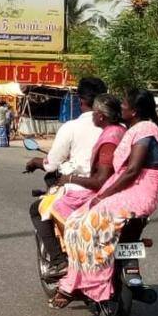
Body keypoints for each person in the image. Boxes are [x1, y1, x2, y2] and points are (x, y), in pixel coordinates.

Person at [52, 89, 158, 311]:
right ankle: (76, 282)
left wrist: (104, 195)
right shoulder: (136, 129)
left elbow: (132, 170)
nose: (121, 107)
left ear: (134, 111)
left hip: (137, 195)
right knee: (77, 221)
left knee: (83, 226)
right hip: (129, 191)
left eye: (124, 104)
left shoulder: (144, 130)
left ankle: (85, 284)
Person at [31, 94, 124, 279]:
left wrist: (69, 178)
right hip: (120, 188)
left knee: (38, 209)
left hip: (89, 187)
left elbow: (52, 164)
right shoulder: (123, 129)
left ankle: (60, 261)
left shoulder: (75, 128)